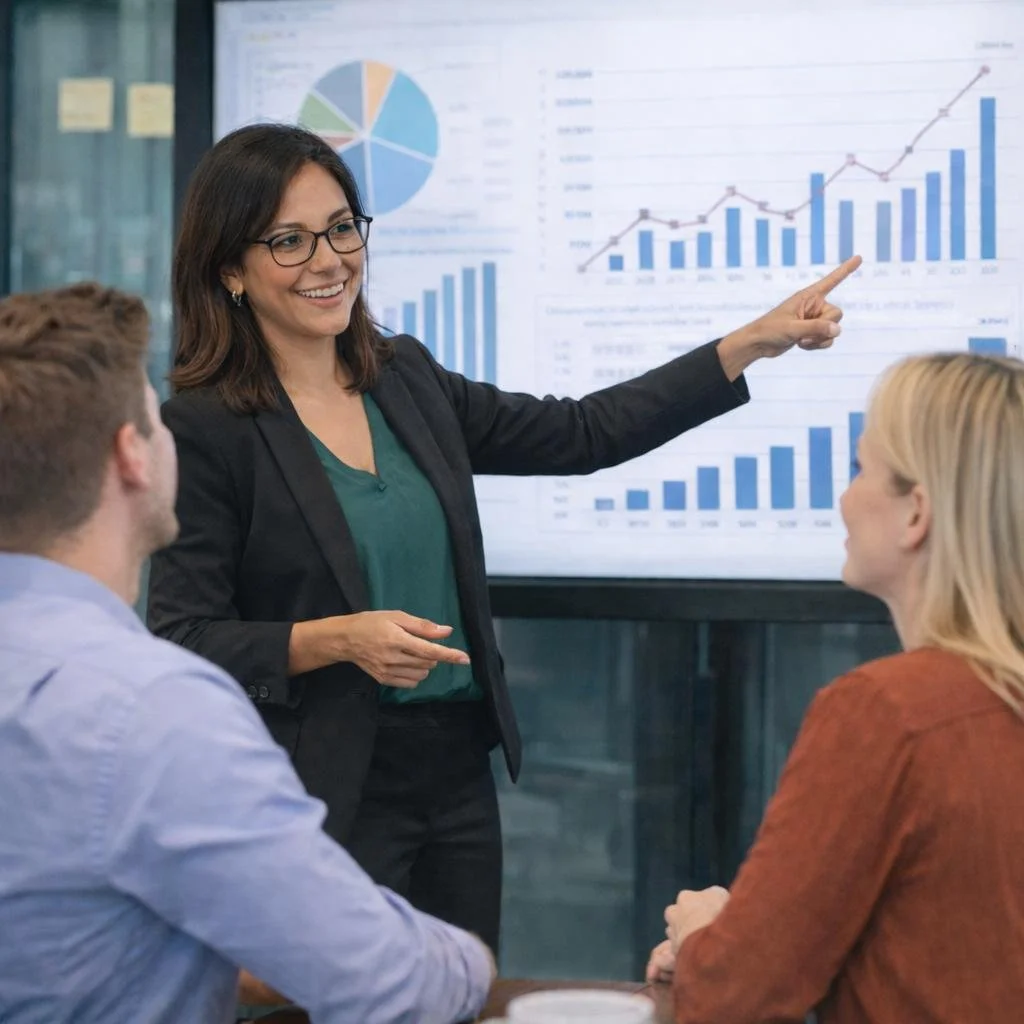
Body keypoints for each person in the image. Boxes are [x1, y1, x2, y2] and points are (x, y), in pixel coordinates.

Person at [147, 121, 861, 954]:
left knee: (463, 997)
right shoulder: (205, 427)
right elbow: (185, 636)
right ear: (230, 269)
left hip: (454, 773)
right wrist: (339, 640)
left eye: (342, 228)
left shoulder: (404, 376)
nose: (329, 260)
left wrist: (748, 344)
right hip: (322, 788)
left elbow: (583, 433)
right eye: (289, 242)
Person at [0, 283, 493, 1024]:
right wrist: (471, 959)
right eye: (153, 414)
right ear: (131, 455)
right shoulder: (152, 712)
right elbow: (391, 981)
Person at [646, 352, 1024, 1022]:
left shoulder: (889, 714)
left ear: (917, 515)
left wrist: (706, 932)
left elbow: (738, 996)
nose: (844, 497)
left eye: (861, 469)